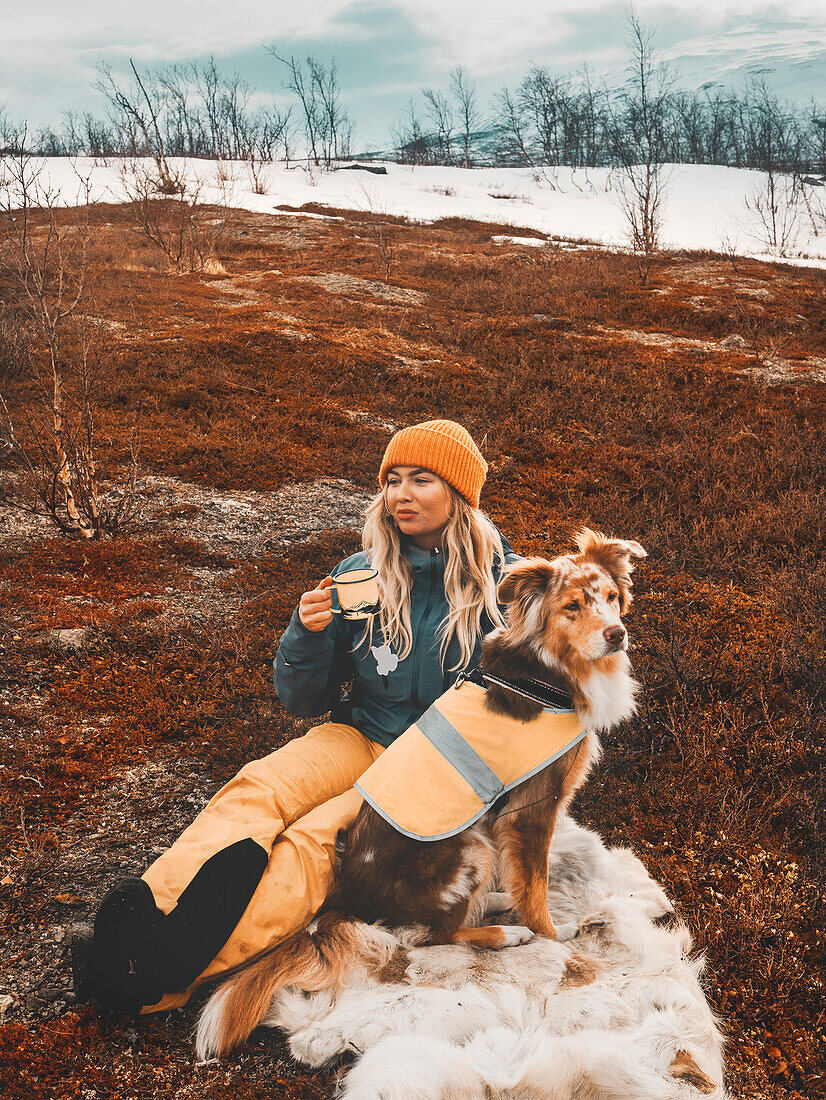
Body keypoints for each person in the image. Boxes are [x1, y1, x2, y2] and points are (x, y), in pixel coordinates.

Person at [72, 419, 521, 1014]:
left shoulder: (508, 589)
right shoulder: (360, 571)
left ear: (460, 495)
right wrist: (307, 635)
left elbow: (529, 707)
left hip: (434, 766)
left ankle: (168, 976)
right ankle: (137, 930)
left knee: (313, 842)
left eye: (421, 480)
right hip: (360, 735)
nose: (399, 495)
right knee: (257, 788)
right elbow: (302, 701)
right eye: (391, 480)